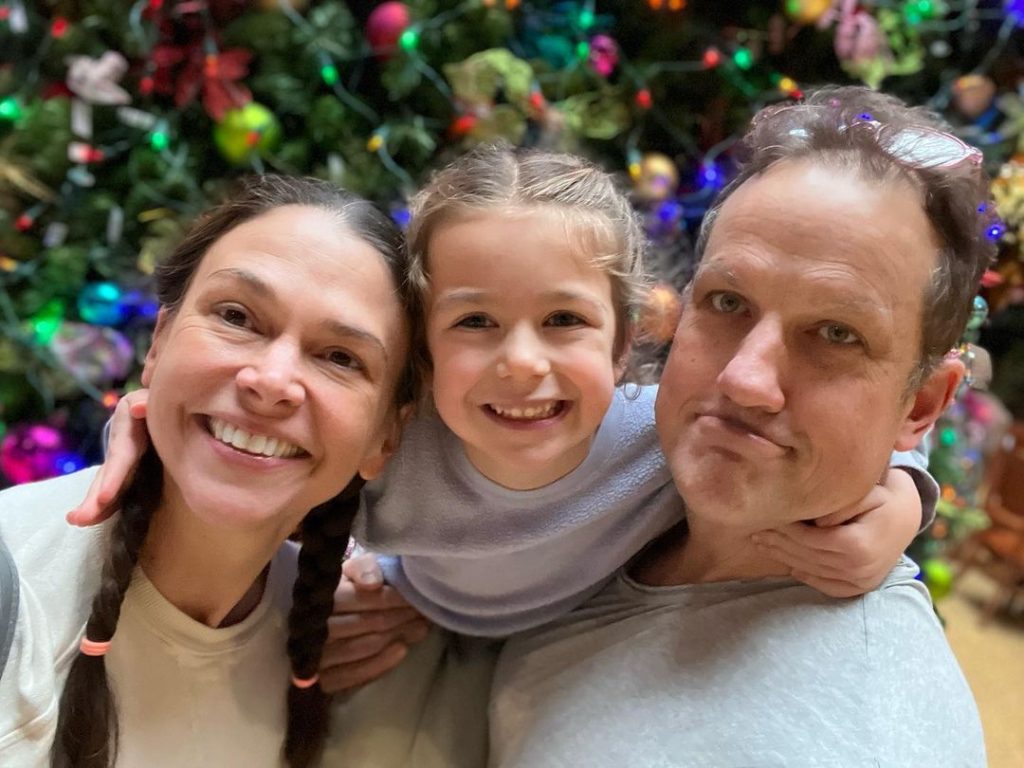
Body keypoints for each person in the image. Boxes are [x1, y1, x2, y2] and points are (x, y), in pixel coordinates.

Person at [75, 148, 933, 651]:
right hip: (425, 628)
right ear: (422, 346)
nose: (522, 365)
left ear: (628, 335)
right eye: (476, 321)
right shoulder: (389, 452)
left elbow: (871, 422)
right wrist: (141, 421)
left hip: (571, 650)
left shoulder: (668, 438)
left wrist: (903, 498)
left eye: (563, 319)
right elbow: (249, 435)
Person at [487, 86, 989, 766]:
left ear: (922, 407)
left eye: (837, 334)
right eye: (728, 302)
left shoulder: (863, 738)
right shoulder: (614, 474)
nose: (745, 380)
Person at [0, 176, 415, 768]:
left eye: (340, 357)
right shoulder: (16, 574)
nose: (271, 381)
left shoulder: (351, 646)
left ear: (386, 437)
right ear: (159, 342)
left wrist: (432, 594)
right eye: (237, 317)